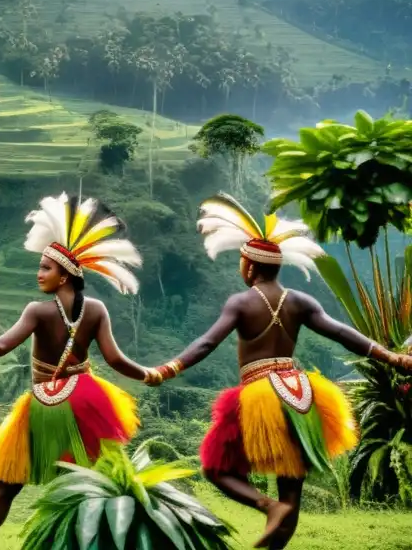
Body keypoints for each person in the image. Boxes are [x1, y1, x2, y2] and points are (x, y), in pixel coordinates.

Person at [147, 193, 412, 549]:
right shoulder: (302, 302)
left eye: (242, 263)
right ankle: (275, 515)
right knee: (292, 489)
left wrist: (169, 367)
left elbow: (207, 343)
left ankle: (264, 504)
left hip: (260, 393)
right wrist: (391, 357)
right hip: (301, 394)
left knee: (216, 468)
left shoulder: (241, 302)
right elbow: (343, 333)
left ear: (251, 267)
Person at [0, 193, 158, 550]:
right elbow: (117, 361)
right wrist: (151, 374)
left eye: (46, 267)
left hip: (46, 404)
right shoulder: (96, 311)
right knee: (95, 483)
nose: (39, 273)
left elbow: (0, 346)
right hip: (88, 402)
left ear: (64, 276)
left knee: (4, 488)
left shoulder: (37, 311)